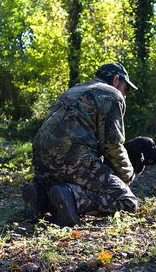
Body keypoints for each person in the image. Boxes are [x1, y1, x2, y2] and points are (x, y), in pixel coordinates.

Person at [23, 62, 139, 226]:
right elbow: (113, 146)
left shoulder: (74, 90)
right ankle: (72, 197)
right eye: (126, 89)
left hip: (41, 163)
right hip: (75, 160)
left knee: (70, 179)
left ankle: (40, 195)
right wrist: (127, 177)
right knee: (127, 202)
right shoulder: (112, 95)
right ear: (116, 80)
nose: (125, 94)